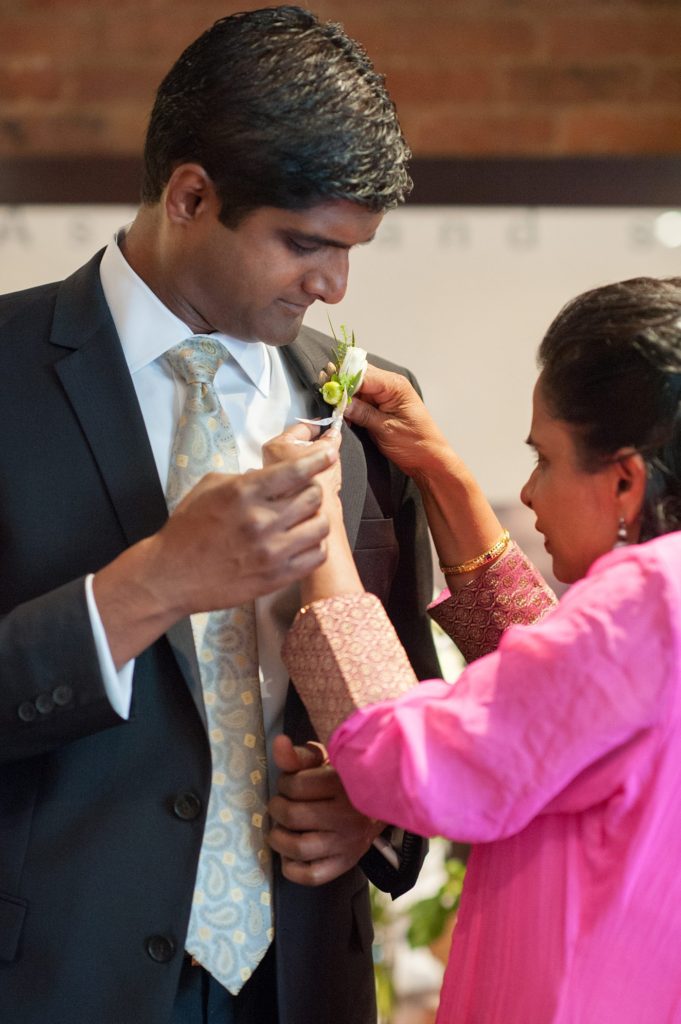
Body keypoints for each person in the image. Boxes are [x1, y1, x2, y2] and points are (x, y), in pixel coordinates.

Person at [0, 8, 439, 1024]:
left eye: (350, 251)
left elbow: (409, 696)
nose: (333, 286)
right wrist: (148, 584)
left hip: (300, 988)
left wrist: (377, 808)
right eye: (304, 245)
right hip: (56, 979)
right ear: (192, 195)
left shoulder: (367, 410)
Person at [279, 276, 681, 1022]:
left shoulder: (649, 603)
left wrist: (319, 534)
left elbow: (406, 760)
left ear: (624, 480)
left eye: (545, 460)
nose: (528, 494)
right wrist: (440, 473)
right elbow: (554, 704)